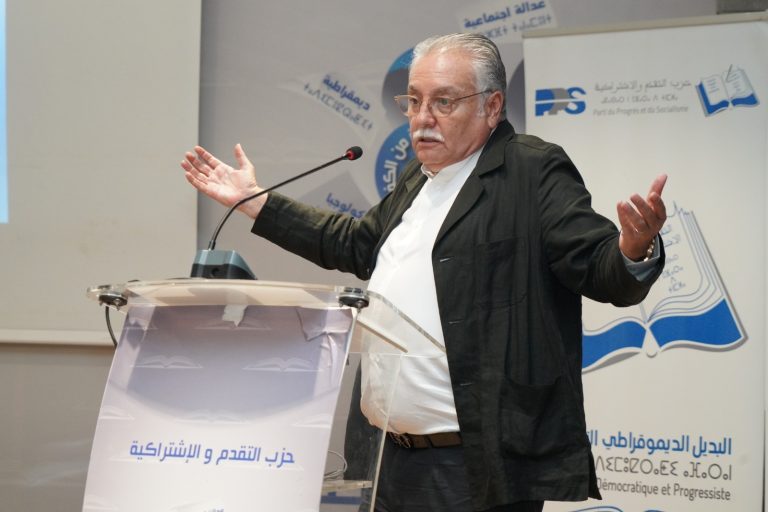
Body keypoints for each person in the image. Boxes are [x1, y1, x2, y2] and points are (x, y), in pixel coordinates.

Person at [181, 33, 666, 512]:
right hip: (386, 455)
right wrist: (256, 202)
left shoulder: (531, 170)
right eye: (413, 101)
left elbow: (596, 266)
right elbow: (356, 244)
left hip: (475, 468)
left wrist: (633, 247)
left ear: (492, 106)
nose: (421, 118)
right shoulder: (418, 177)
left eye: (443, 102)